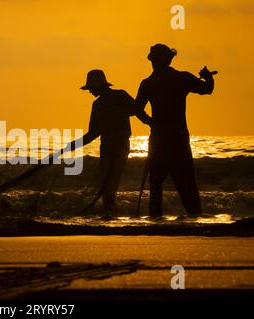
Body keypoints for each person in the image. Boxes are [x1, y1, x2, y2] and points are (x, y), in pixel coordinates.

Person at [135, 44, 215, 217]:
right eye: (154, 59)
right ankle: (194, 215)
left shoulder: (150, 83)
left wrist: (151, 123)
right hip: (175, 138)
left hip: (162, 139)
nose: (155, 63)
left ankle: (158, 218)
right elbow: (207, 89)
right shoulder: (180, 78)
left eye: (156, 59)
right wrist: (208, 78)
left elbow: (137, 110)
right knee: (183, 181)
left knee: (158, 182)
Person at [67, 69, 142, 217]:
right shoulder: (97, 104)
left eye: (91, 88)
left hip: (120, 145)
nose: (90, 91)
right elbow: (93, 133)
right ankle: (109, 212)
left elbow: (137, 111)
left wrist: (152, 123)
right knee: (106, 181)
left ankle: (109, 212)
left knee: (110, 180)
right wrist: (72, 145)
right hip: (106, 146)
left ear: (99, 86)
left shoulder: (120, 95)